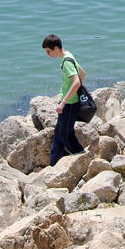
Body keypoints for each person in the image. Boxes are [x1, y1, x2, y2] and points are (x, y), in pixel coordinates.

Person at [42, 34, 86, 164]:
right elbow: (83, 74)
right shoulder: (68, 56)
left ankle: (82, 155)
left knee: (65, 135)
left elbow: (77, 81)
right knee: (58, 134)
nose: (48, 54)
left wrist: (63, 102)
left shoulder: (66, 62)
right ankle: (54, 163)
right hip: (70, 102)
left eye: (48, 51)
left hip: (70, 104)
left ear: (55, 48)